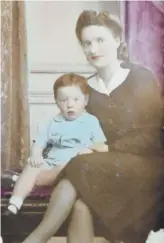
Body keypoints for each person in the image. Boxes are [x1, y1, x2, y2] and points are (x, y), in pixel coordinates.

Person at [20, 10, 163, 243]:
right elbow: (70, 131)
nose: (93, 50)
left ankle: (36, 239)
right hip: (97, 168)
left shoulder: (141, 78)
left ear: (117, 41)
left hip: (144, 168)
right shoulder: (84, 91)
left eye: (100, 40)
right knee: (80, 206)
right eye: (87, 43)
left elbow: (153, 136)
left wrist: (106, 148)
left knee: (79, 164)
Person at [6, 73, 108, 215]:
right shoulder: (53, 122)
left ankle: (24, 180)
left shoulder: (91, 121)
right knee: (32, 167)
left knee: (74, 163)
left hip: (72, 166)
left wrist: (88, 148)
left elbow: (102, 147)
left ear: (86, 100)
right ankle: (15, 202)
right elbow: (39, 144)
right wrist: (36, 155)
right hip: (51, 163)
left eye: (76, 99)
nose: (70, 104)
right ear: (56, 101)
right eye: (63, 100)